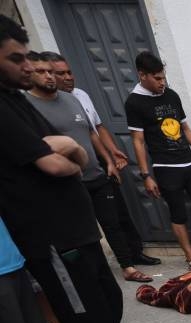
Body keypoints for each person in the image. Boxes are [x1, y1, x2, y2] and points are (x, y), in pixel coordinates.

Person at [0, 16, 154, 323]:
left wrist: (68, 152)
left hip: (78, 226)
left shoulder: (17, 102)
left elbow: (78, 151)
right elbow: (56, 161)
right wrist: (67, 155)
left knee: (107, 301)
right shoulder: (4, 109)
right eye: (18, 60)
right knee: (82, 312)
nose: (29, 68)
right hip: (51, 235)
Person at [25, 52, 153, 283]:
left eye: (60, 72)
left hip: (96, 173)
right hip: (68, 181)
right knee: (82, 232)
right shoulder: (27, 106)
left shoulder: (73, 99)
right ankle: (88, 274)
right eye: (45, 72)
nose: (53, 77)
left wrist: (108, 161)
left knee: (112, 222)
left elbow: (92, 133)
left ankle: (128, 267)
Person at [126, 51, 191, 271]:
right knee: (178, 214)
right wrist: (146, 175)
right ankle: (190, 256)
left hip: (189, 163)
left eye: (163, 77)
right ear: (142, 75)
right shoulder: (134, 102)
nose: (162, 82)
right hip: (165, 167)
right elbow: (138, 141)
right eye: (157, 78)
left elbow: (185, 128)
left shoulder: (172, 95)